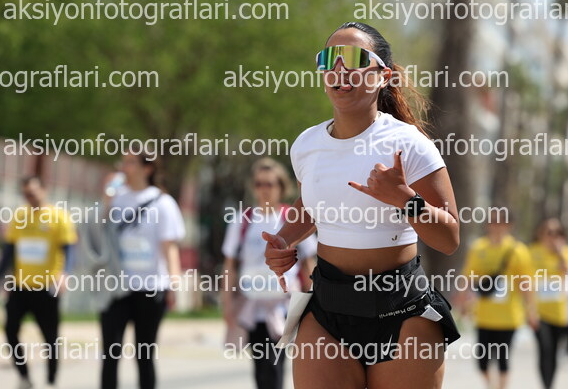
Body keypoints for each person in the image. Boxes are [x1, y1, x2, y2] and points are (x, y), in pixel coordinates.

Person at [263, 22, 461, 389]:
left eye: (353, 58)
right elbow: (312, 204)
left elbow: (449, 238)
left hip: (401, 309)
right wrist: (283, 240)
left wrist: (405, 200)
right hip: (328, 309)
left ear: (383, 75)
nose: (339, 68)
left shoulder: (409, 143)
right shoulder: (307, 144)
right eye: (329, 59)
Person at [222, 157, 317, 389]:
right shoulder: (243, 221)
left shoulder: (292, 219)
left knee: (274, 365)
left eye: (270, 184)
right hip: (252, 306)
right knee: (260, 366)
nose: (264, 189)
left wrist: (313, 301)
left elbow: (308, 263)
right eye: (259, 184)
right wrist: (227, 303)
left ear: (281, 187)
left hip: (283, 307)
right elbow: (230, 265)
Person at [100, 150, 185, 389]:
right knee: (110, 353)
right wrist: (107, 195)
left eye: (130, 162)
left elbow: (169, 248)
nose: (124, 167)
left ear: (147, 168)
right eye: (123, 162)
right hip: (116, 288)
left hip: (151, 288)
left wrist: (173, 284)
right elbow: (99, 229)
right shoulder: (116, 199)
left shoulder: (163, 202)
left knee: (144, 354)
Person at [0, 176, 77, 389]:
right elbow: (9, 250)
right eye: (25, 194)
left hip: (46, 286)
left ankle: (51, 380)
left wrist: (64, 273)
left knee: (50, 337)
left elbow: (69, 248)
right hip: (21, 286)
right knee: (10, 329)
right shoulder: (19, 216)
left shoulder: (58, 217)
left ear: (44, 190)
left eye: (32, 193)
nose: (29, 197)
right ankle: (24, 376)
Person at [459, 209, 537, 389]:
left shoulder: (518, 250)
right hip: (483, 315)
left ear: (509, 225)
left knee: (503, 359)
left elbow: (526, 284)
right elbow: (468, 277)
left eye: (500, 222)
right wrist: (463, 302)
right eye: (492, 221)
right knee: (482, 361)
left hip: (509, 316)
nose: (496, 226)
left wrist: (531, 311)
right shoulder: (478, 247)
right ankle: (491, 385)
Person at [530, 218, 568, 389]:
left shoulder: (566, 252)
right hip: (539, 311)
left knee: (553, 352)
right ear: (541, 233)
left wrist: (560, 254)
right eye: (549, 232)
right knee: (544, 349)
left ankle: (550, 385)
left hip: (559, 311)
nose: (553, 236)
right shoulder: (533, 251)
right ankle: (546, 385)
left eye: (558, 233)